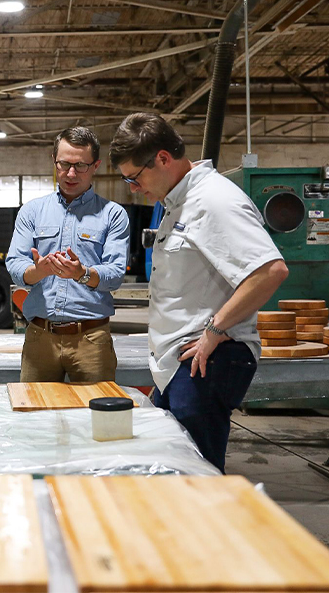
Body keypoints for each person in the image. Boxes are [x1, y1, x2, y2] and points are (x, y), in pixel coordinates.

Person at [109, 113, 288, 473]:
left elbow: (270, 271)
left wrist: (215, 331)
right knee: (174, 469)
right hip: (180, 363)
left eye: (134, 177)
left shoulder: (213, 201)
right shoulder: (180, 203)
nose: (133, 188)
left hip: (205, 361)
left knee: (196, 478)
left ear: (162, 158)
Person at [6, 126, 129, 382]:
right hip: (40, 337)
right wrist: (37, 271)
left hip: (91, 339)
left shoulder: (113, 215)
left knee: (95, 417)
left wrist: (82, 274)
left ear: (96, 165)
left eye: (81, 166)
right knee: (34, 414)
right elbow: (15, 264)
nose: (71, 173)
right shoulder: (31, 212)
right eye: (64, 164)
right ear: (54, 161)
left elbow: (115, 273)